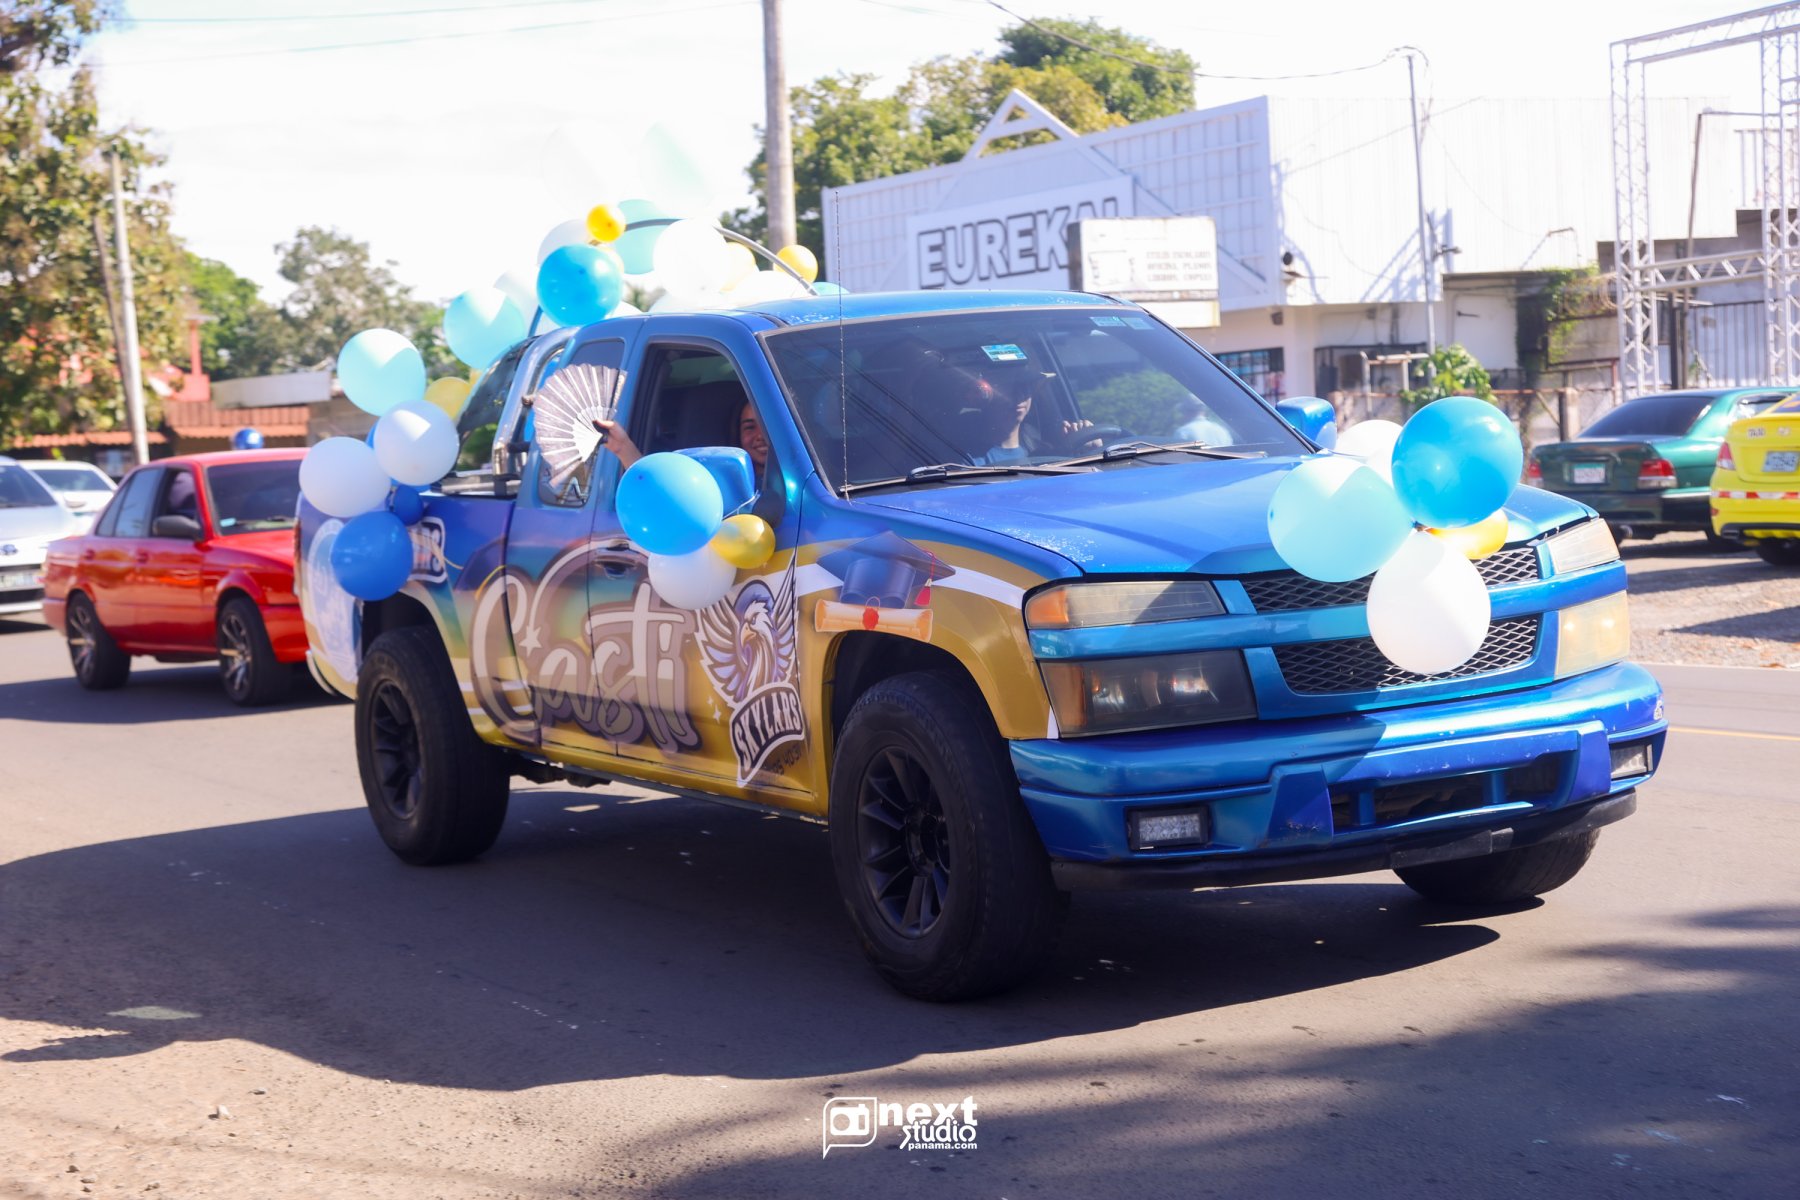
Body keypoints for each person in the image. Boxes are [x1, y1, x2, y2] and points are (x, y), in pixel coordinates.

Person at [592, 400, 769, 471]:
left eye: (767, 426)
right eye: (749, 427)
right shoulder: (722, 485)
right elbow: (661, 496)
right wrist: (623, 447)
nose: (760, 435)